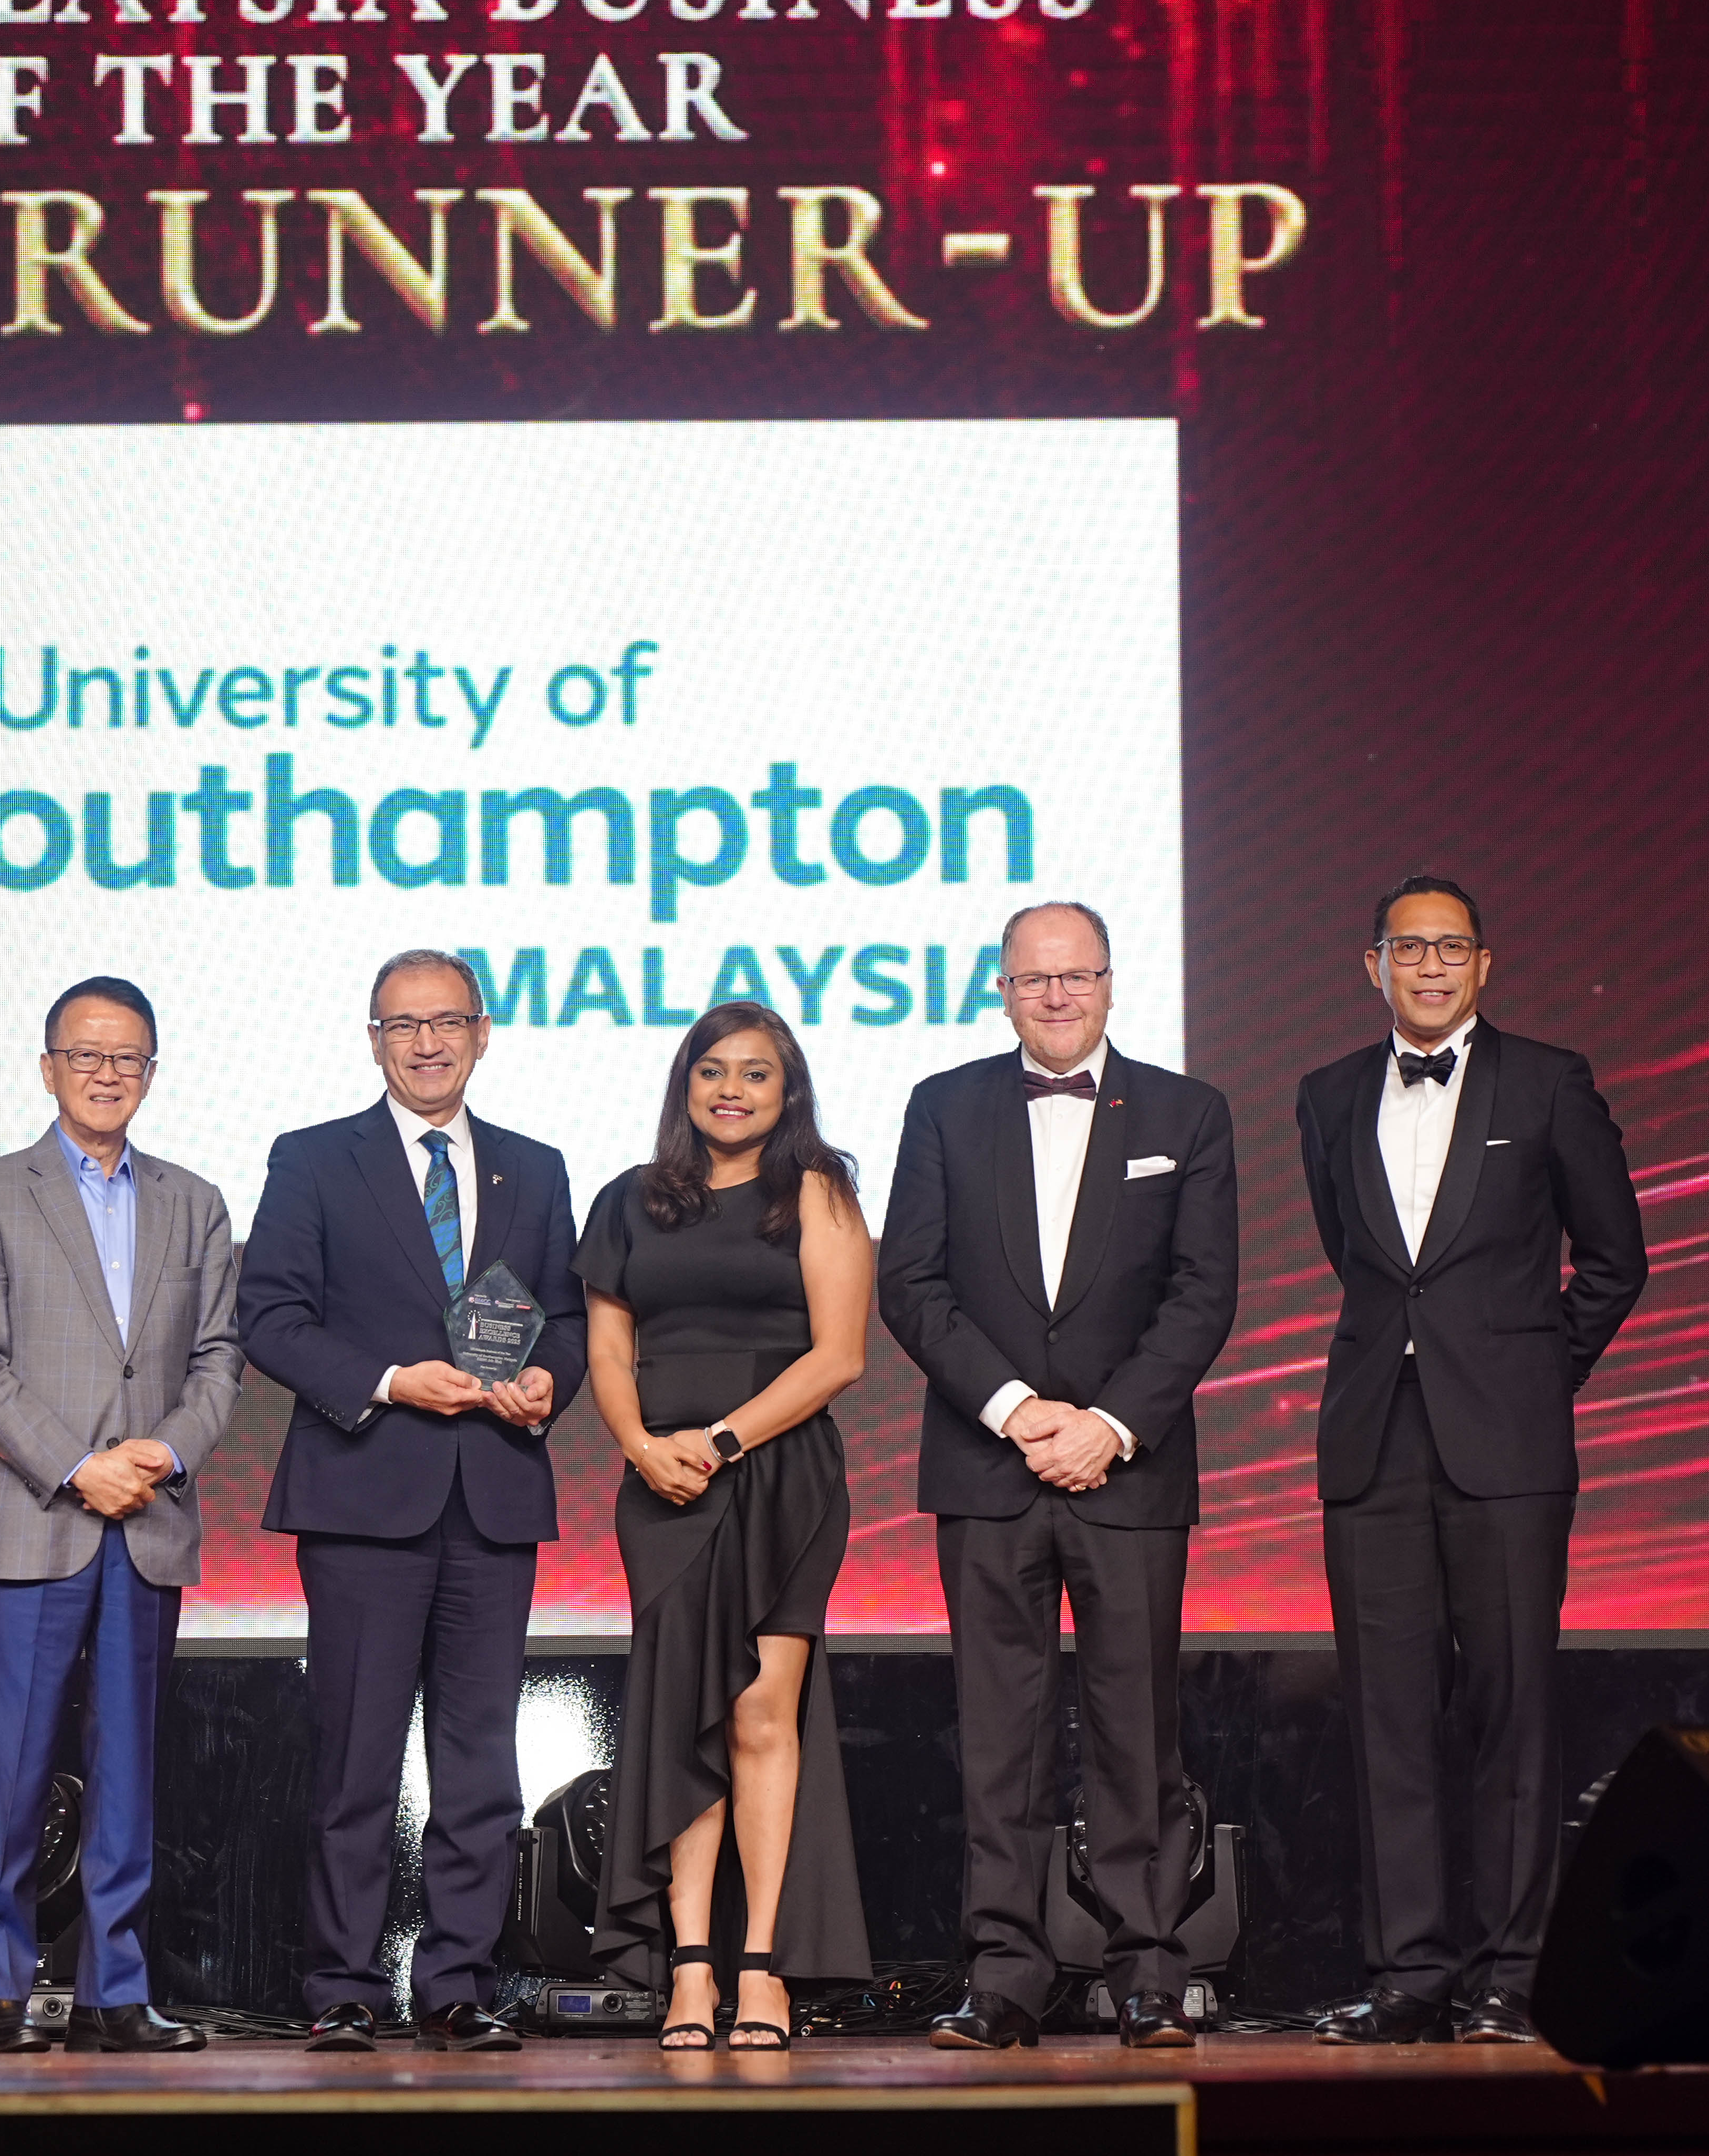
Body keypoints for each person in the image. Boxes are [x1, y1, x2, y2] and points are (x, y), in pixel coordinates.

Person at [880, 900, 1240, 2053]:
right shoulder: (941, 1106)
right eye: (1033, 978)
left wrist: (1109, 1425)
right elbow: (911, 1284)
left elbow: (1202, 1293)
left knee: (1138, 1732)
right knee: (1000, 1742)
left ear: (1110, 982)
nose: (1056, 995)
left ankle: (1148, 1972)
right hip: (987, 1468)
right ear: (1001, 990)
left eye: (1075, 974)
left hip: (1128, 1474)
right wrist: (1015, 1409)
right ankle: (1004, 1977)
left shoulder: (1188, 1111)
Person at [1295, 876, 1647, 2047]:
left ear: (1484, 965)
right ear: (1374, 965)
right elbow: (1358, 1259)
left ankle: (1512, 1974)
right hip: (1372, 1439)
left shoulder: (1548, 1080)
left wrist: (1536, 1375)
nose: (1431, 967)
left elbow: (1615, 1258)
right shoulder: (1327, 1092)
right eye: (1409, 948)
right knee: (1387, 1719)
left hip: (1507, 1443)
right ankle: (1409, 1974)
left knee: (1511, 1713)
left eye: (1451, 948)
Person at [238, 949, 589, 2053]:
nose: (425, 1043)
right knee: (355, 1760)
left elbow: (568, 1318)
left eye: (445, 1022)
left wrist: (548, 1382)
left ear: (483, 1033)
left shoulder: (534, 1168)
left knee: (480, 1765)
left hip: (493, 1498)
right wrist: (390, 1382)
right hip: (363, 1497)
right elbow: (270, 1316)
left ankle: (457, 1983)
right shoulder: (312, 1159)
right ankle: (342, 1985)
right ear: (373, 1039)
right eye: (402, 1025)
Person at [0, 976, 245, 2055]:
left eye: (127, 1058)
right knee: (12, 1770)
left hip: (149, 1519)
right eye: (86, 1054)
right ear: (48, 1067)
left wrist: (164, 1451)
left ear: (151, 1073)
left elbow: (219, 1356)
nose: (107, 1074)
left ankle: (118, 1991)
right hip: (38, 1518)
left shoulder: (195, 1201)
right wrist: (78, 1467)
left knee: (129, 1773)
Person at [576, 1002, 876, 2051]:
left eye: (756, 1073)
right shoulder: (627, 1198)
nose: (732, 1090)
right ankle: (689, 1969)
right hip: (662, 1486)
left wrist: (722, 1438)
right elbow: (607, 1351)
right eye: (712, 1070)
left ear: (786, 1091)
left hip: (779, 1475)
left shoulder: (817, 1190)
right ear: (685, 1084)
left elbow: (840, 1355)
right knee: (679, 1720)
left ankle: (762, 1969)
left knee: (756, 1716)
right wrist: (641, 1446)